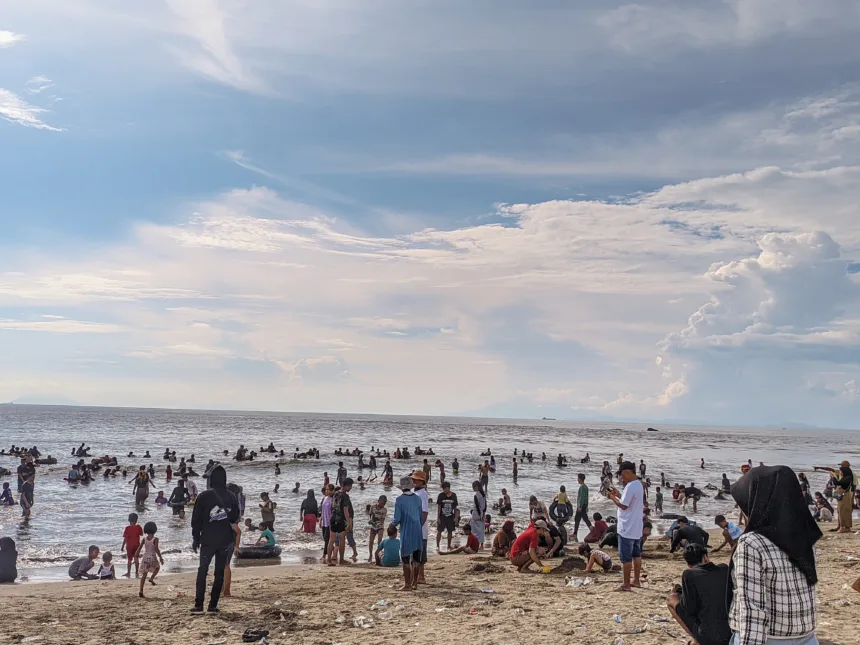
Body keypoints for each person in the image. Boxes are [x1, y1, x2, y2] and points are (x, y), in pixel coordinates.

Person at [729, 465, 821, 645]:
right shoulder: (802, 535)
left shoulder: (752, 543)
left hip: (770, 638)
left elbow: (752, 609)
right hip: (806, 635)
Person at [191, 464, 240, 614]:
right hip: (225, 539)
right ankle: (213, 606)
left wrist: (195, 538)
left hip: (207, 539)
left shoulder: (204, 496)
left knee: (202, 570)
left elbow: (196, 520)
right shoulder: (231, 496)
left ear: (211, 480)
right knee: (219, 572)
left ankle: (199, 605)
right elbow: (235, 517)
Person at [666, 543, 732, 645]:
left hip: (709, 636)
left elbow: (689, 609)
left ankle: (697, 640)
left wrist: (682, 595)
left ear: (688, 564)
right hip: (730, 632)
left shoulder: (689, 574)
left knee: (672, 599)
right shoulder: (724, 568)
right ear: (705, 556)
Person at [607, 460, 644, 591]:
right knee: (636, 555)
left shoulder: (630, 486)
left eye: (622, 474)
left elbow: (623, 505)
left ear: (627, 472)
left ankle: (626, 584)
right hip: (636, 526)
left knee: (626, 557)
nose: (621, 477)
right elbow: (628, 501)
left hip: (627, 526)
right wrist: (618, 495)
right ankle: (637, 580)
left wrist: (612, 498)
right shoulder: (638, 485)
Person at [390, 476, 424, 591]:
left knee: (405, 558)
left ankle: (407, 584)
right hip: (417, 529)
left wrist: (391, 525)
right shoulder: (418, 499)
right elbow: (420, 516)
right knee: (416, 557)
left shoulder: (400, 500)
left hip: (407, 530)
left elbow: (397, 518)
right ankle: (415, 583)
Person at [328, 478, 354, 566]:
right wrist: (349, 523)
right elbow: (346, 511)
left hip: (333, 517)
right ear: (347, 486)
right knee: (341, 539)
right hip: (340, 519)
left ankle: (329, 560)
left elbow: (332, 506)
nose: (350, 488)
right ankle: (341, 560)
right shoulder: (345, 496)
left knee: (331, 540)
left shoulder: (336, 493)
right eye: (350, 486)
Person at [410, 471, 430, 584]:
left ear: (421, 481)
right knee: (418, 555)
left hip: (420, 529)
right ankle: (420, 577)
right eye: (413, 479)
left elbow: (425, 513)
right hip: (417, 527)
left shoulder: (422, 494)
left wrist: (418, 527)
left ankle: (418, 577)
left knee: (418, 555)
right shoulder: (415, 493)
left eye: (416, 480)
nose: (414, 481)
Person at [136, 521, 164, 597]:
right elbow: (156, 549)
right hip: (152, 556)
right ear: (155, 530)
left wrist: (136, 554)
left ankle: (141, 590)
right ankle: (151, 578)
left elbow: (140, 547)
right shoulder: (155, 539)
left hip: (145, 557)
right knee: (157, 568)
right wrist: (160, 557)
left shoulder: (144, 539)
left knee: (144, 575)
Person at [436, 481, 459, 551]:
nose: (443, 490)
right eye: (443, 489)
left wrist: (456, 517)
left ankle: (449, 546)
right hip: (442, 516)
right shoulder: (441, 495)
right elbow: (439, 507)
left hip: (450, 516)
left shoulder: (454, 496)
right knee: (439, 531)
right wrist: (438, 517)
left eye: (444, 489)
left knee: (450, 531)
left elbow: (455, 508)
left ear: (448, 488)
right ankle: (437, 546)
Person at [121, 513, 144, 578]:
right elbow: (141, 534)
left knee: (129, 559)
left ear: (128, 520)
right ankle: (137, 572)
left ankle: (128, 572)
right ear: (136, 520)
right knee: (136, 558)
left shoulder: (127, 528)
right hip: (137, 545)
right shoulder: (138, 527)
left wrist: (122, 546)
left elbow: (125, 538)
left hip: (129, 546)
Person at [366, 495, 388, 562]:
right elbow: (370, 515)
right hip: (373, 526)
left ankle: (379, 555)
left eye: (384, 504)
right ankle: (370, 555)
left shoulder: (384, 510)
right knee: (371, 542)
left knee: (379, 541)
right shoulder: (372, 507)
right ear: (378, 501)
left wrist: (379, 524)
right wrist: (370, 520)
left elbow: (383, 519)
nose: (382, 505)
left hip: (380, 527)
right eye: (381, 503)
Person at [572, 474, 591, 541]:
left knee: (577, 519)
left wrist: (580, 506)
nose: (577, 480)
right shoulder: (585, 486)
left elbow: (582, 498)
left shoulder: (582, 487)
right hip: (584, 505)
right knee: (585, 519)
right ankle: (592, 530)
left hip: (581, 506)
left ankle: (575, 534)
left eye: (578, 478)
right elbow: (586, 498)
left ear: (580, 479)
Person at [471, 481, 487, 547]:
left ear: (476, 487)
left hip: (476, 513)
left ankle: (475, 544)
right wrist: (483, 513)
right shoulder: (483, 494)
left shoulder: (476, 495)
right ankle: (482, 545)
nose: (473, 489)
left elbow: (477, 506)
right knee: (481, 530)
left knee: (474, 530)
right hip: (482, 512)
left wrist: (479, 514)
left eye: (473, 487)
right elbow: (485, 505)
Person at [320, 484, 333, 564]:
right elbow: (322, 510)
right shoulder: (324, 498)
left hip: (329, 522)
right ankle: (332, 550)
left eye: (328, 490)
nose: (326, 491)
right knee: (325, 538)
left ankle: (324, 555)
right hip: (324, 521)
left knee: (327, 539)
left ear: (332, 491)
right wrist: (321, 519)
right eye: (326, 489)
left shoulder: (332, 499)